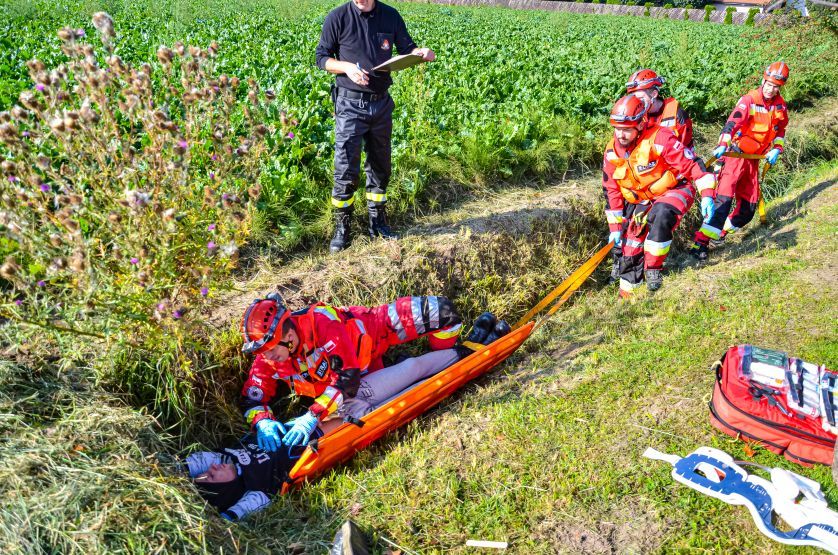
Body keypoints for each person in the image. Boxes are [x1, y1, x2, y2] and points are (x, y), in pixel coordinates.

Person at [240, 294, 509, 451]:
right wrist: (261, 420)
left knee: (442, 311)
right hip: (353, 392)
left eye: (270, 348)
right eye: (260, 352)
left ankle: (450, 354)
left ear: (288, 335)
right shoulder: (269, 359)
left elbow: (347, 380)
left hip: (372, 334)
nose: (265, 357)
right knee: (408, 372)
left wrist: (311, 417)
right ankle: (448, 358)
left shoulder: (322, 323)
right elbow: (253, 398)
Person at [315, 0, 437, 253]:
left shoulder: (390, 16)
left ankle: (377, 223)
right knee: (346, 166)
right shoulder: (337, 17)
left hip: (381, 104)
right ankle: (343, 227)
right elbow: (321, 58)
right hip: (349, 103)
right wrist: (346, 67)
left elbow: (408, 49)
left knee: (381, 163)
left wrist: (422, 53)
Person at [602, 95, 716, 297]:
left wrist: (706, 193)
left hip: (674, 189)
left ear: (640, 124)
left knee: (661, 213)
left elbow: (691, 164)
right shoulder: (612, 151)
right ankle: (628, 299)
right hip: (643, 200)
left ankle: (653, 269)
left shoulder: (661, 138)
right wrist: (615, 226)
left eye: (627, 129)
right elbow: (611, 188)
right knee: (630, 251)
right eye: (617, 129)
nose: (620, 134)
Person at [691, 62, 790, 260]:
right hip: (736, 156)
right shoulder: (749, 100)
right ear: (763, 80)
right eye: (769, 84)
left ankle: (719, 234)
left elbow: (780, 131)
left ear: (781, 87)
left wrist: (778, 149)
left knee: (748, 209)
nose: (771, 89)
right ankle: (700, 243)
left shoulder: (780, 106)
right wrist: (722, 144)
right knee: (723, 201)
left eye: (776, 86)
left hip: (753, 161)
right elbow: (732, 123)